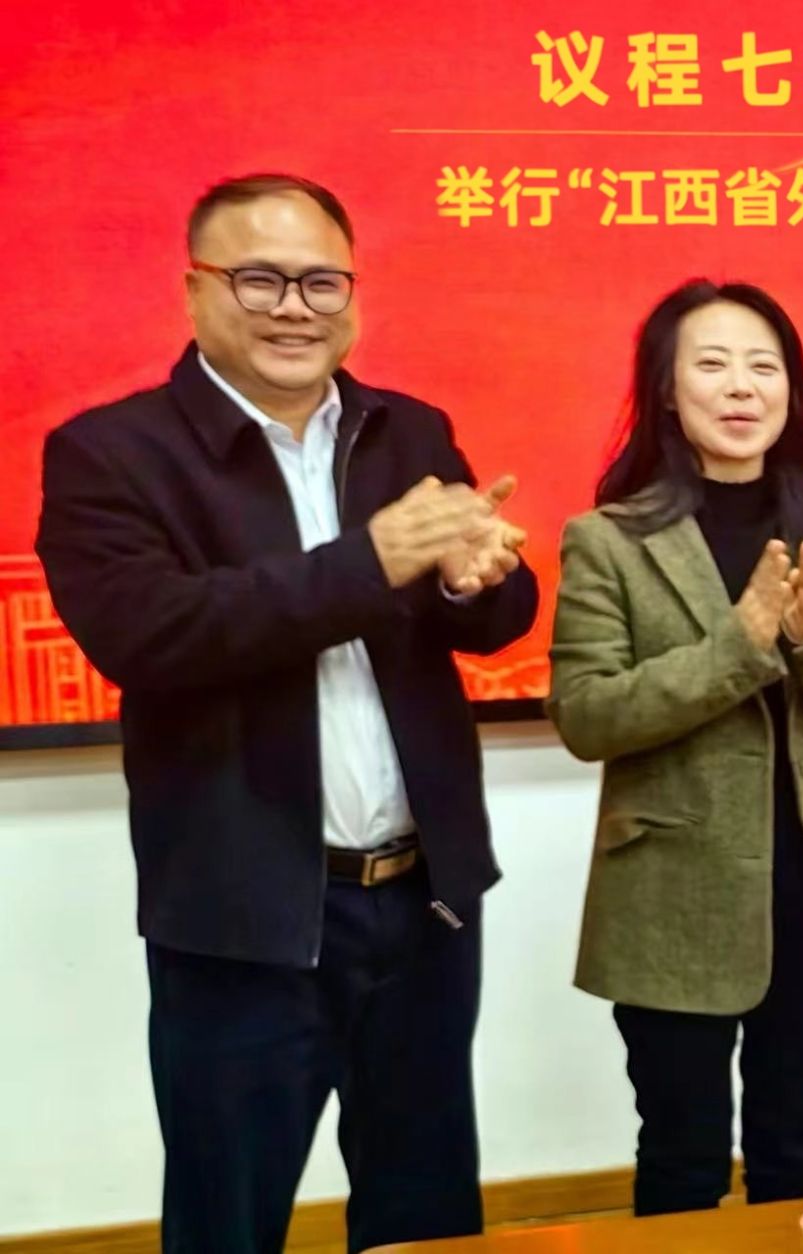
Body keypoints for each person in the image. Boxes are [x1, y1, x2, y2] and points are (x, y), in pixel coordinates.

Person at [34, 173, 536, 1253]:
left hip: (423, 904)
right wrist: (370, 562)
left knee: (426, 1211)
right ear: (195, 290)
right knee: (227, 1219)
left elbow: (495, 618)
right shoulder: (110, 454)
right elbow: (150, 635)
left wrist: (474, 580)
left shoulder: (409, 432)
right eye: (259, 279)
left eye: (321, 282)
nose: (294, 308)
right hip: (242, 917)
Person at [546, 279, 803, 1214]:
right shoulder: (609, 541)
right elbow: (587, 715)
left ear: (792, 391)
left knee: (796, 1152)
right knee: (682, 1159)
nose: (742, 387)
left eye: (764, 367)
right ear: (668, 392)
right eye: (712, 365)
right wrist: (738, 647)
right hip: (674, 894)